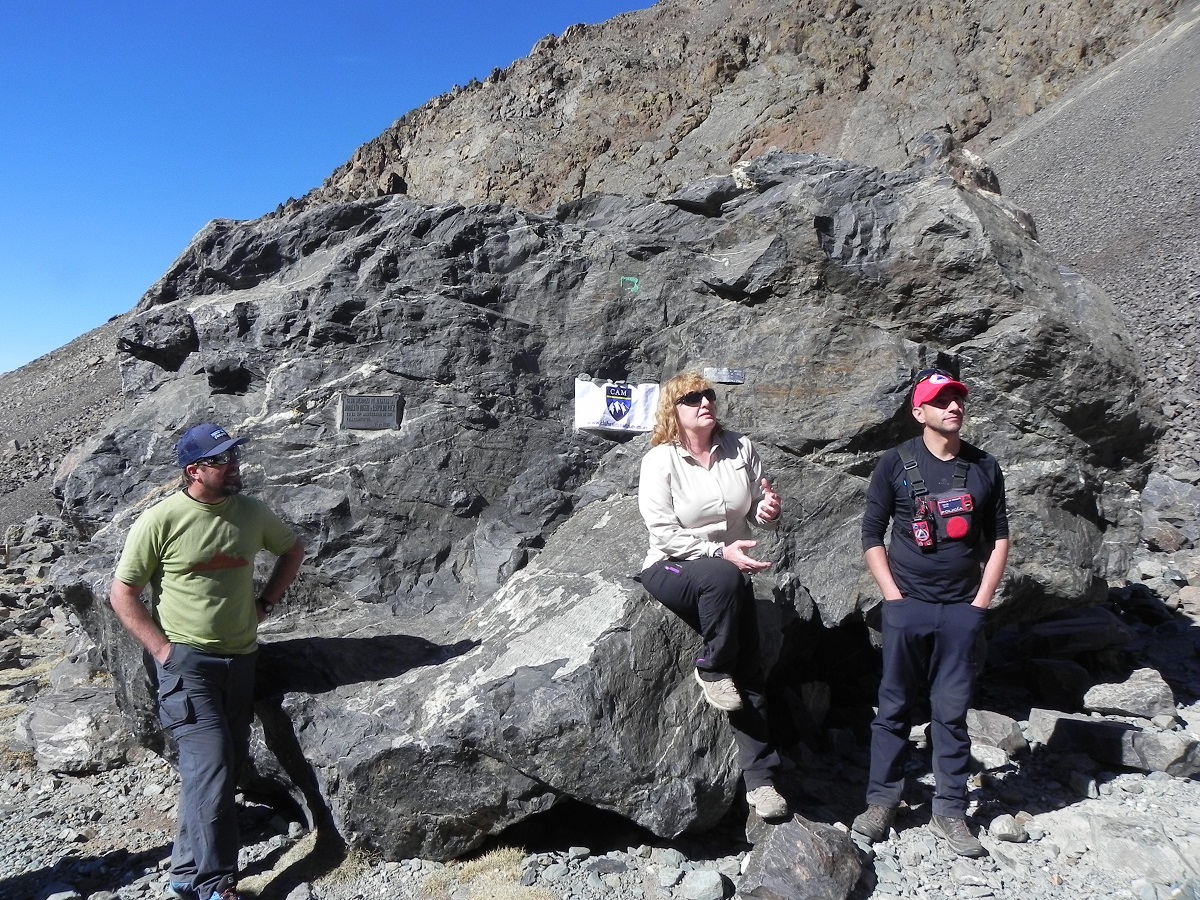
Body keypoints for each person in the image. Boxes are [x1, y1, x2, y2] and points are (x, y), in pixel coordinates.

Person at [109, 423, 305, 900]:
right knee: (213, 763)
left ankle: (183, 871)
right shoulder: (160, 520)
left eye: (234, 456)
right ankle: (214, 885)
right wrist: (162, 650)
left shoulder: (251, 513)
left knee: (215, 767)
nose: (234, 465)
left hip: (240, 660)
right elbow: (123, 593)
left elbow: (293, 548)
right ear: (193, 470)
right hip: (186, 665)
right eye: (222, 460)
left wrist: (266, 604)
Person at [852, 369, 1009, 858]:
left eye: (958, 398)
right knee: (893, 708)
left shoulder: (985, 467)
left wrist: (979, 604)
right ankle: (882, 802)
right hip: (908, 609)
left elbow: (999, 538)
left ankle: (950, 809)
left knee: (951, 712)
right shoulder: (895, 464)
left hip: (961, 611)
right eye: (940, 401)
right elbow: (871, 533)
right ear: (919, 412)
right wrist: (893, 597)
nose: (953, 407)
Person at [637, 373, 789, 820]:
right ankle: (711, 664)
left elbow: (760, 510)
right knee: (725, 578)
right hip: (671, 567)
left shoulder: (740, 448)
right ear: (673, 410)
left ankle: (762, 783)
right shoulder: (659, 461)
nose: (705, 402)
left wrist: (767, 512)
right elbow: (662, 533)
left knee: (751, 668)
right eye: (692, 398)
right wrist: (718, 552)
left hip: (728, 574)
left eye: (709, 395)